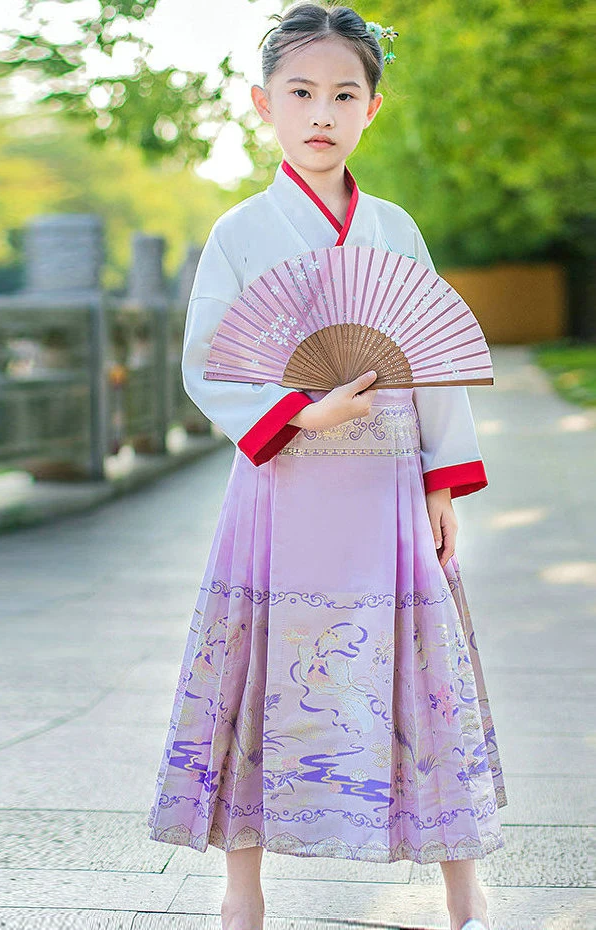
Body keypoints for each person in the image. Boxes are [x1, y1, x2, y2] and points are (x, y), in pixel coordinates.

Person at [146, 4, 507, 929]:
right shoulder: (240, 232)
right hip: (286, 479)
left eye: (344, 94)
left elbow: (433, 356)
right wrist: (303, 410)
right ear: (264, 104)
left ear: (371, 109)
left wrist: (440, 479)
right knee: (265, 672)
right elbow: (207, 363)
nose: (322, 112)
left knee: (419, 669)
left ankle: (464, 891)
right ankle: (243, 888)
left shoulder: (394, 227)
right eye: (300, 93)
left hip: (386, 479)